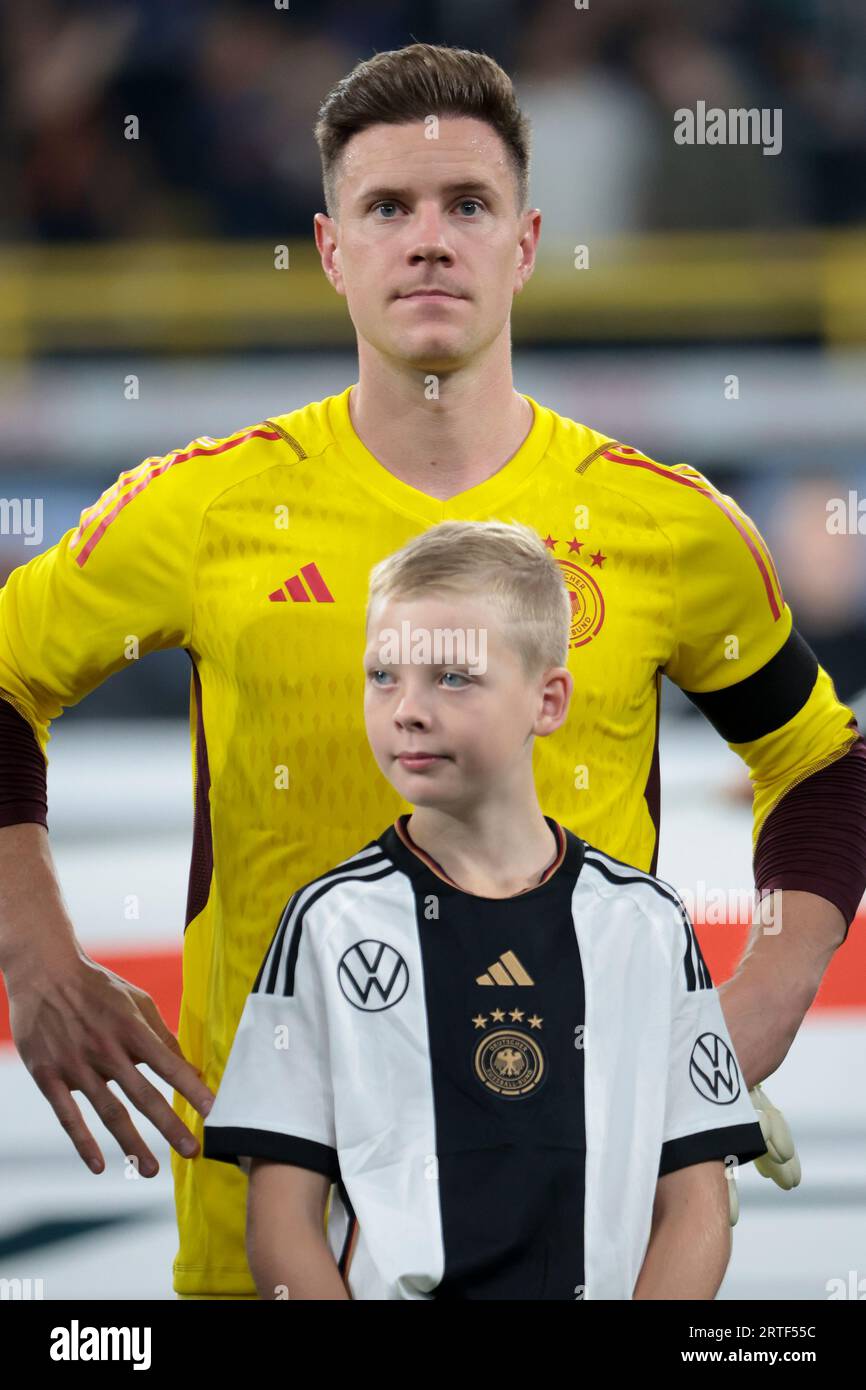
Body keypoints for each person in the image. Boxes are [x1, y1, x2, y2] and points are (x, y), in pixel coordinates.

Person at [0, 42, 863, 1300]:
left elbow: (819, 762)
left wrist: (768, 996)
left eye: (465, 205)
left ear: (522, 244)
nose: (427, 239)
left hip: (591, 1234)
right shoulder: (202, 509)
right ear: (330, 246)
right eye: (385, 208)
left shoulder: (666, 527)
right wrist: (36, 956)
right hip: (271, 1238)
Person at [203, 520, 767, 1300]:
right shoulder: (330, 922)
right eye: (382, 676)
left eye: (453, 678)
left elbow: (694, 1203)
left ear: (548, 700)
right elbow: (280, 1216)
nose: (407, 709)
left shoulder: (646, 922)